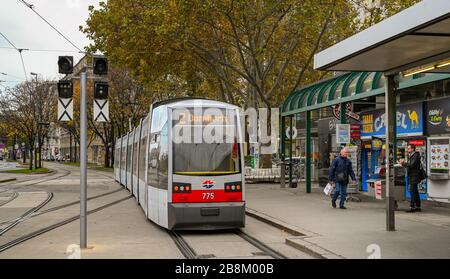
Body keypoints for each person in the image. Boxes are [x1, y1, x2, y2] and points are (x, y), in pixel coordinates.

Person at [398, 144, 422, 213]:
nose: (407, 150)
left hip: (414, 176)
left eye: (408, 149)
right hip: (413, 176)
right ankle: (418, 206)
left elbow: (411, 165)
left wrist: (403, 163)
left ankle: (412, 207)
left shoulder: (415, 155)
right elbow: (410, 164)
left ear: (412, 149)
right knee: (415, 192)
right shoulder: (412, 155)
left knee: (412, 192)